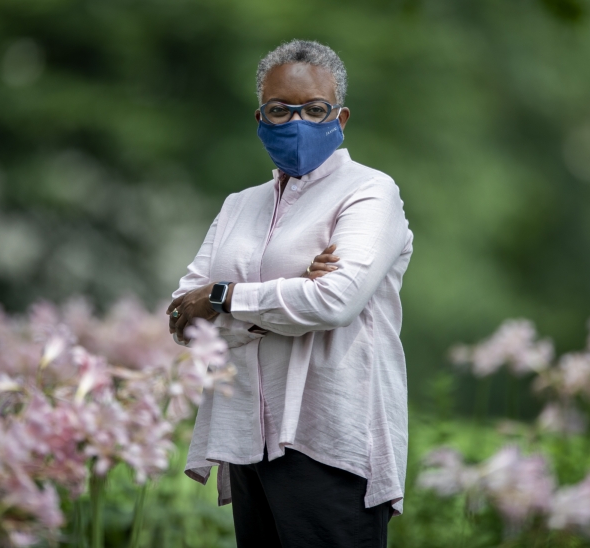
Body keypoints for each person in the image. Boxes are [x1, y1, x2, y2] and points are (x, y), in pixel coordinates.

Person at [166, 39, 413, 548]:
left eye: (314, 109)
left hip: (330, 440)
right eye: (279, 110)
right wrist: (288, 290)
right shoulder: (240, 205)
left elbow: (335, 302)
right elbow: (182, 317)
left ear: (340, 119)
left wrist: (224, 296)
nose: (296, 121)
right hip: (245, 440)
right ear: (259, 118)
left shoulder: (370, 194)